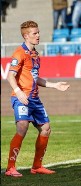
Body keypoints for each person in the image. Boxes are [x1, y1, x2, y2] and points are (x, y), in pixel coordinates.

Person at [4, 21, 70, 177]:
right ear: (26, 36)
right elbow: (10, 76)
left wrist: (54, 85)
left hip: (34, 99)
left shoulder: (35, 54)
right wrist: (18, 92)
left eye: (38, 32)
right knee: (22, 126)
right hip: (21, 97)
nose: (38, 35)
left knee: (46, 129)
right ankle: (10, 168)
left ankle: (37, 166)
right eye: (35, 33)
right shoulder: (19, 53)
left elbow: (35, 78)